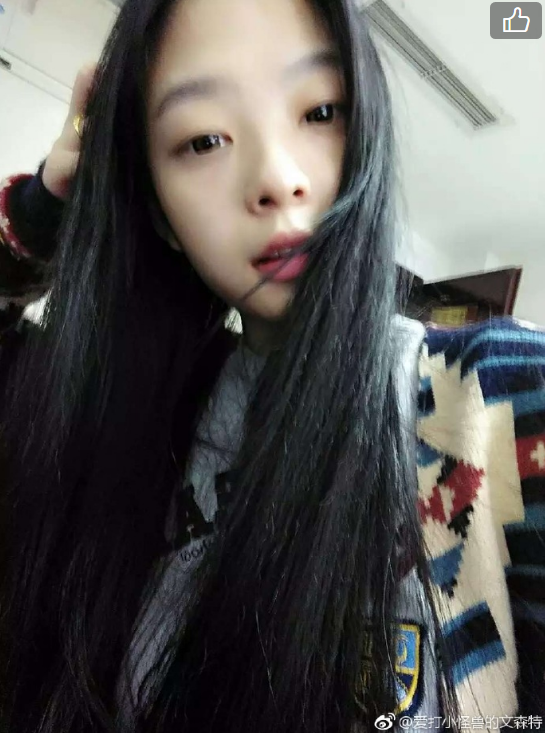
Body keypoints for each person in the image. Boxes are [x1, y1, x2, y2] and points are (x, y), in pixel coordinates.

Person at [0, 0, 543, 730]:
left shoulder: (496, 399)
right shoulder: (124, 414)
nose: (277, 178)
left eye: (319, 112)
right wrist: (44, 210)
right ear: (159, 214)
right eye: (203, 140)